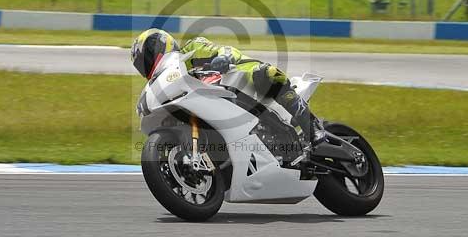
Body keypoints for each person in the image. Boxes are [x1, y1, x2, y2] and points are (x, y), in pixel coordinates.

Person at [131, 28, 326, 148]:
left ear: (163, 44)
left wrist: (222, 58)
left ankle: (312, 126)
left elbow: (221, 50)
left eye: (148, 55)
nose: (147, 63)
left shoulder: (190, 50)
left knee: (263, 73)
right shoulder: (167, 81)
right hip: (211, 106)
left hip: (234, 84)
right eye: (142, 63)